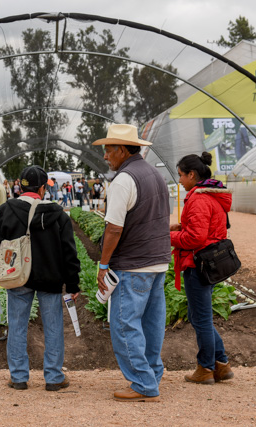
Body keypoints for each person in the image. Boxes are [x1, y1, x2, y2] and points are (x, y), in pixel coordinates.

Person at [0, 165, 81, 391]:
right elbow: (69, 252)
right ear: (43, 188)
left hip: (17, 277)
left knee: (17, 325)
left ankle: (18, 377)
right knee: (53, 327)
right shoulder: (57, 214)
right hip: (51, 279)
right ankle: (54, 377)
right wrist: (72, 284)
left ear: (20, 186)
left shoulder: (6, 210)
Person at [93, 123, 171, 402]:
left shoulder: (124, 180)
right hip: (158, 261)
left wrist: (103, 265)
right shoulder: (155, 175)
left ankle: (143, 383)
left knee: (125, 324)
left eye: (108, 150)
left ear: (123, 150)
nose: (105, 156)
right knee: (151, 324)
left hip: (132, 264)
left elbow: (114, 228)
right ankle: (152, 375)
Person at [170, 151, 235, 386]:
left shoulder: (198, 198)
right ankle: (221, 364)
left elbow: (195, 238)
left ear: (192, 174)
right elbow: (205, 229)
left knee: (201, 319)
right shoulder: (211, 195)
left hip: (197, 264)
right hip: (208, 263)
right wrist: (182, 227)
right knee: (199, 317)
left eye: (181, 175)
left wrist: (169, 237)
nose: (179, 180)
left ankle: (206, 368)